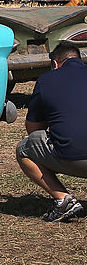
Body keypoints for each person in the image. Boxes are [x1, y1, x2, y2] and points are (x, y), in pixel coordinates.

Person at [16, 42, 87, 222]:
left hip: (73, 157)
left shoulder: (46, 80)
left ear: (55, 63)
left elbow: (33, 130)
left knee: (24, 149)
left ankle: (63, 198)